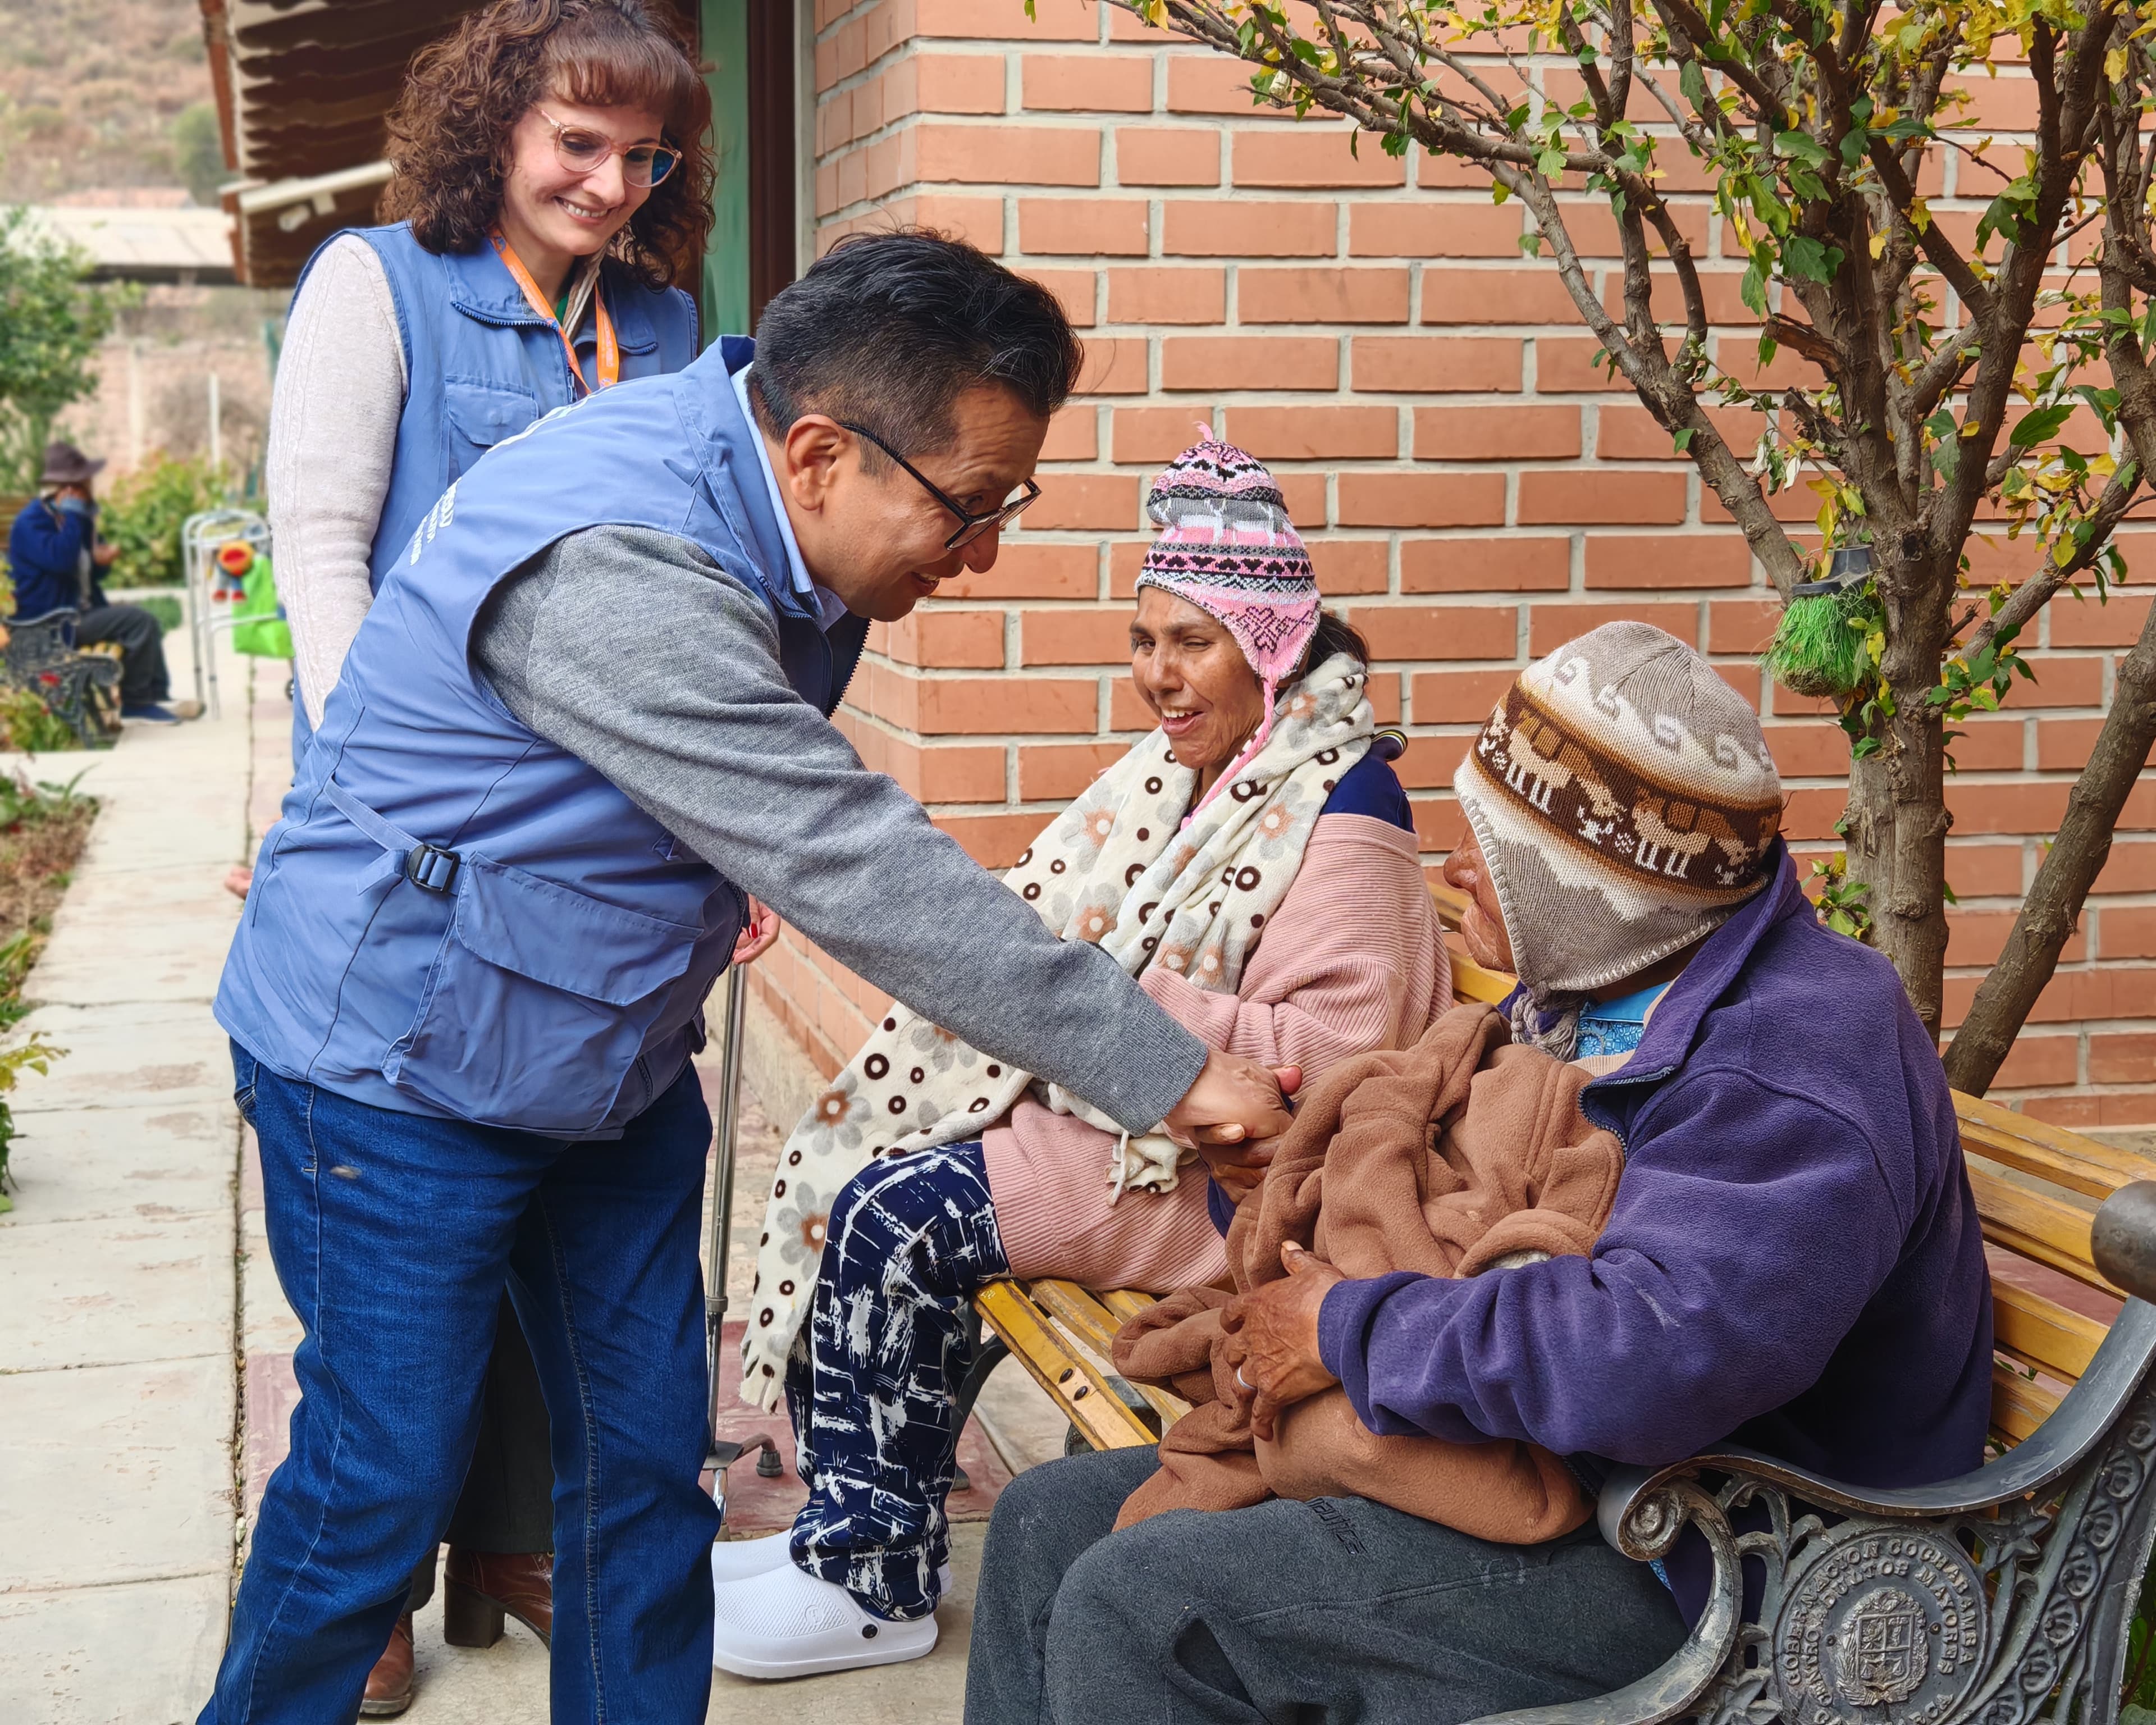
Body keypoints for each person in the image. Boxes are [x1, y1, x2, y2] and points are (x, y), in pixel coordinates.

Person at [200, 230, 1295, 1725]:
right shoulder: (620, 562)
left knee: (648, 1474)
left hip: (598, 1054)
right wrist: (1170, 1073)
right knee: (376, 1485)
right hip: (391, 1064)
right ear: (823, 453)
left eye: (1007, 505)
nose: (983, 553)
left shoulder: (758, 477)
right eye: (972, 506)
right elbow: (855, 862)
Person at [965, 620, 1994, 1723]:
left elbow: (1653, 1350)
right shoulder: (1615, 977)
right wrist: (1296, 1198)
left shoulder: (1797, 1056)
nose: (1453, 868)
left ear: (1596, 888)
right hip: (1546, 1472)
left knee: (1152, 1609)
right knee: (1044, 1525)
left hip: (1717, 1559)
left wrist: (1346, 1329)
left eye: (1496, 853)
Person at [711, 435, 1450, 1679]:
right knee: (878, 1158)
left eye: (1191, 643)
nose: (1158, 675)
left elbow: (1339, 1058)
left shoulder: (1346, 808)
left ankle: (871, 1580)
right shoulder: (1202, 772)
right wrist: (1082, 1018)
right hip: (1146, 1120)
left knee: (899, 1213)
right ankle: (856, 1528)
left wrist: (1113, 1003)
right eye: (1143, 640)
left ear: (1270, 646)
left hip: (1230, 1181)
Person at [245, 3, 716, 1707]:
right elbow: (320, 545)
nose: (609, 182)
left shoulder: (662, 324)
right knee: (392, 1341)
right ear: (495, 123)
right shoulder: (377, 283)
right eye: (577, 142)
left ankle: (495, 1548)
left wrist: (706, 838)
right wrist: (368, 786)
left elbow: (683, 603)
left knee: (607, 1372)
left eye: (643, 156)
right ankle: (371, 1568)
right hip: (415, 855)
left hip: (600, 887)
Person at [6, 442, 195, 724]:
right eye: (86, 482)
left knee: (146, 620)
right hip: (52, 623)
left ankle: (156, 697)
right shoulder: (32, 522)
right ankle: (137, 704)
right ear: (70, 488)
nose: (91, 487)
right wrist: (74, 515)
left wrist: (101, 562)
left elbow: (85, 574)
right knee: (138, 622)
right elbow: (61, 560)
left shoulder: (74, 519)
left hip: (79, 612)